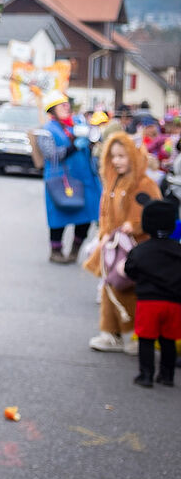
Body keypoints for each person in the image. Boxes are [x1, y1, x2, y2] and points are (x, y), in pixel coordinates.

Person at [81, 133, 160, 354]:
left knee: (134, 291)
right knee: (110, 287)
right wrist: (105, 234)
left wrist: (133, 225)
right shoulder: (113, 181)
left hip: (136, 249)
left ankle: (138, 335)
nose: (116, 161)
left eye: (122, 156)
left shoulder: (144, 184)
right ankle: (111, 333)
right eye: (113, 156)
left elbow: (151, 214)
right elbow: (105, 214)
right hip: (114, 247)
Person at [37, 91, 101, 264]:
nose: (66, 107)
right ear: (52, 110)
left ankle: (75, 249)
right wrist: (74, 146)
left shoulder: (78, 123)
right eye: (61, 105)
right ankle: (56, 250)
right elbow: (51, 155)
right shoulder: (46, 130)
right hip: (61, 179)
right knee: (59, 213)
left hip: (85, 177)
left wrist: (91, 138)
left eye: (67, 104)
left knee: (87, 213)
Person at [124, 195, 181, 387]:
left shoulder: (141, 250)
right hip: (174, 302)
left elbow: (129, 270)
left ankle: (146, 375)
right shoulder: (178, 250)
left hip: (148, 301)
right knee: (169, 340)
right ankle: (167, 376)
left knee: (146, 339)